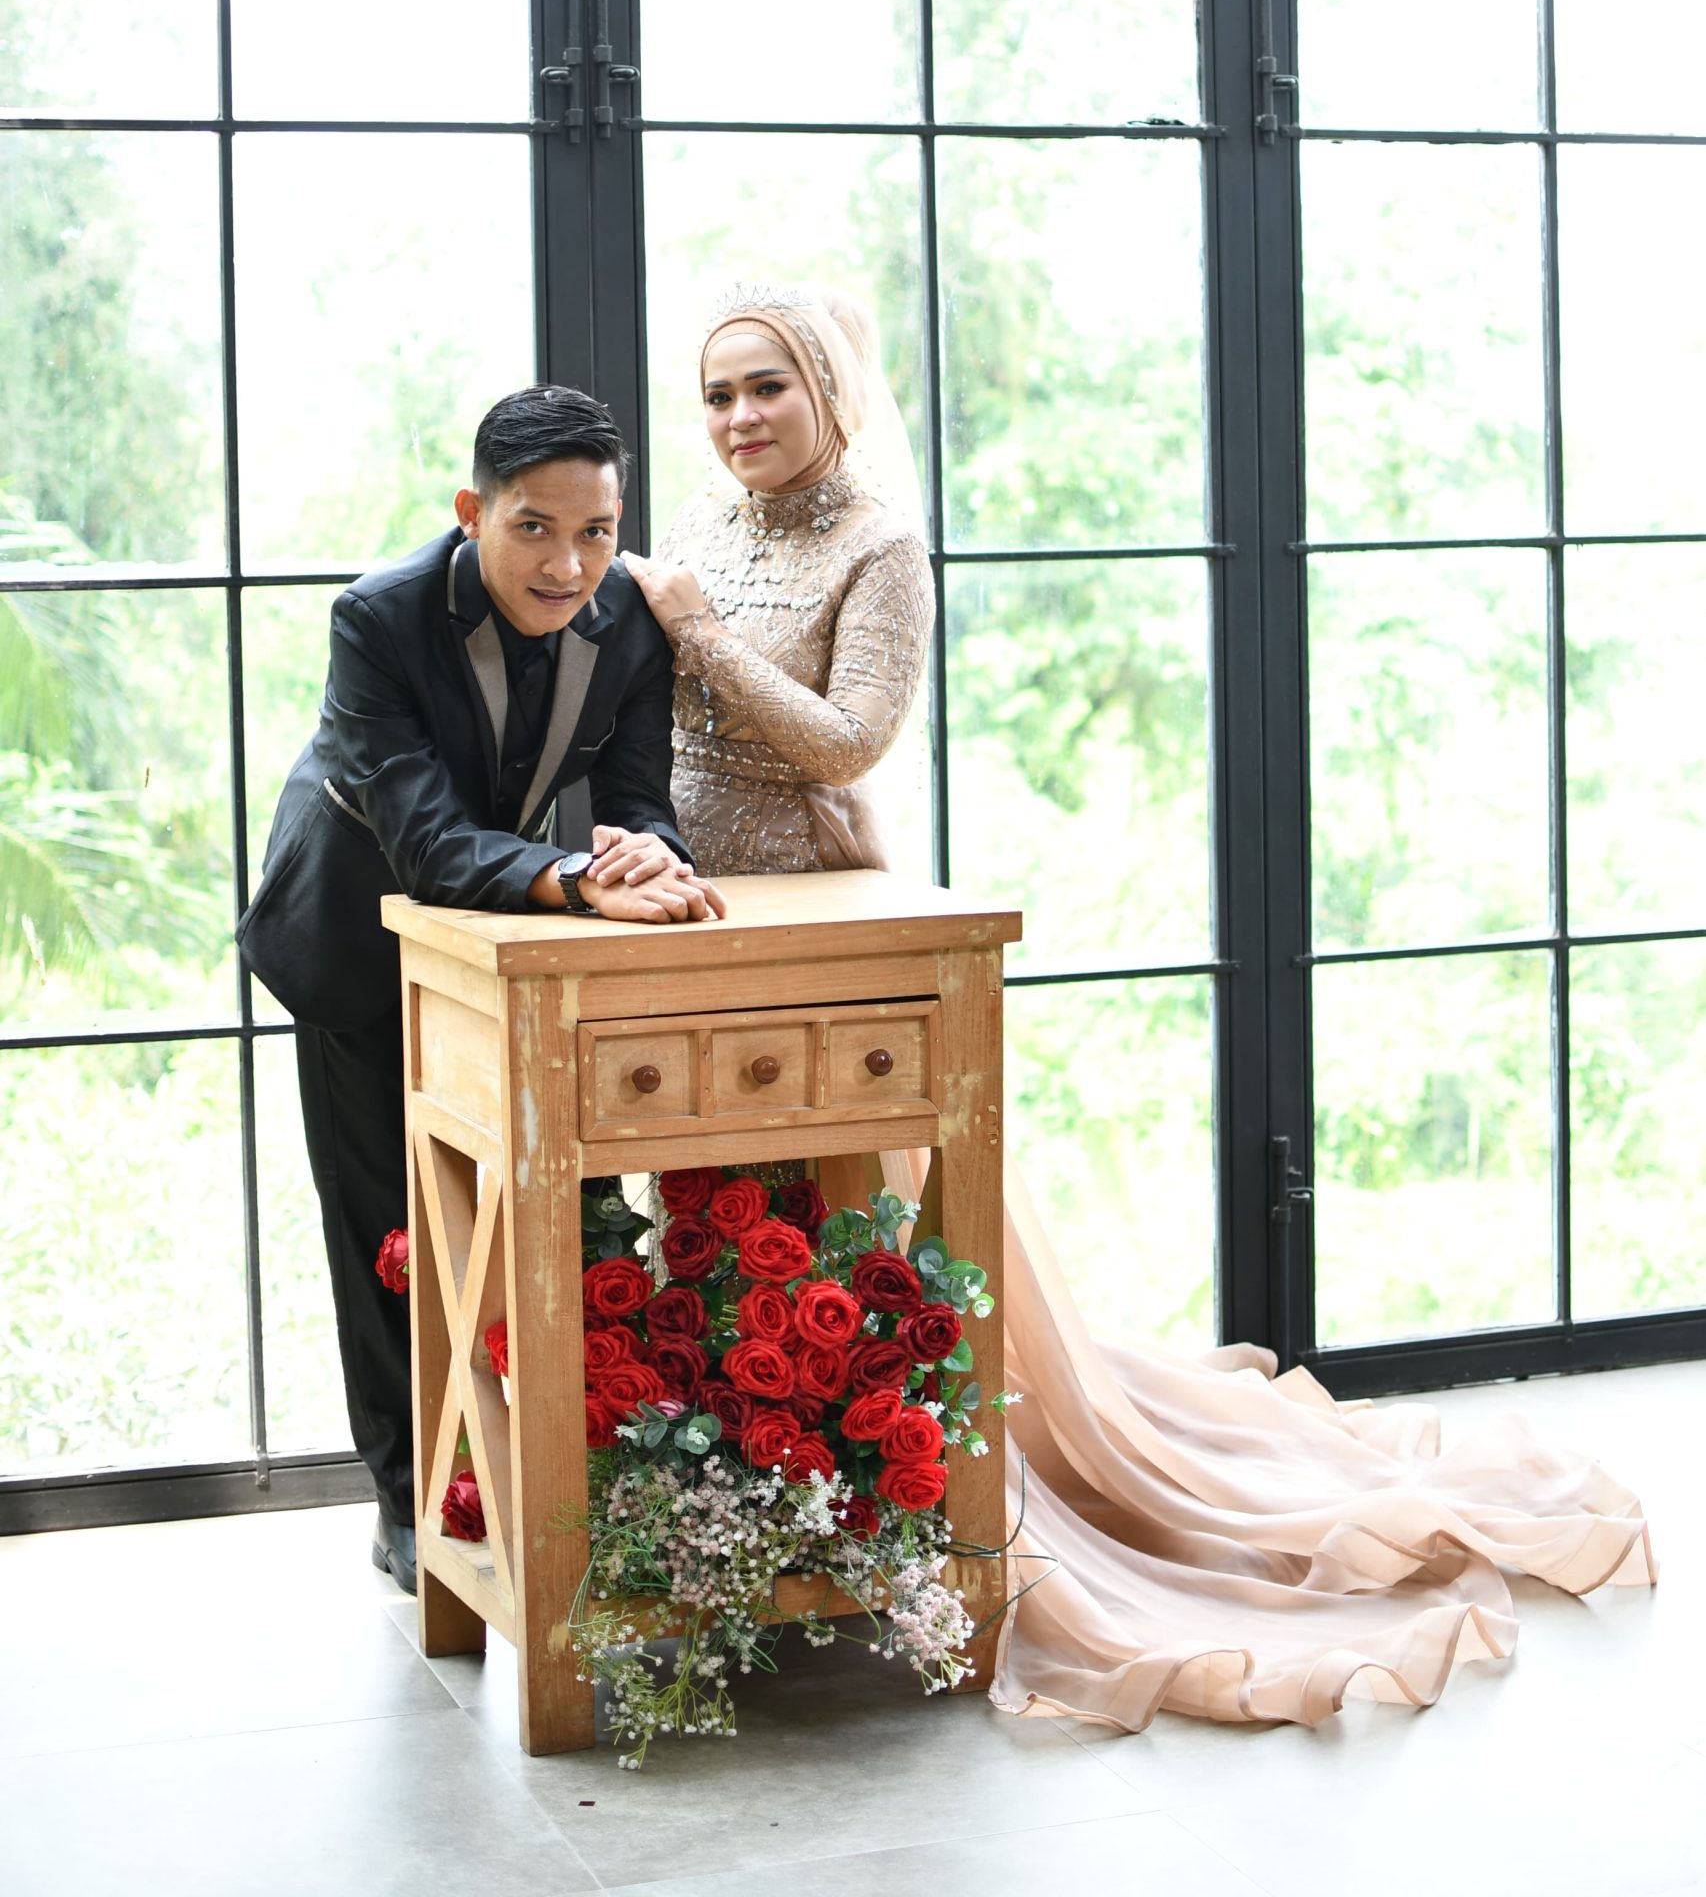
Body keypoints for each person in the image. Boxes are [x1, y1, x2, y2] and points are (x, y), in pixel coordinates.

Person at [626, 281, 1655, 1734]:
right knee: (719, 1220)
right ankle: (762, 1501)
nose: (737, 418)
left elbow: (851, 741)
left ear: (829, 390)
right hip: (690, 916)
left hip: (821, 914)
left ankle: (889, 1510)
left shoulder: (882, 547)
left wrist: (696, 634)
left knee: (853, 1221)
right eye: (718, 394)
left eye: (765, 387)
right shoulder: (702, 525)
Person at [239, 385, 723, 1596]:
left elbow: (638, 791)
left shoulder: (630, 619)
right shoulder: (378, 618)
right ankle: (406, 1499)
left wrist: (646, 852)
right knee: (388, 1226)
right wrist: (578, 878)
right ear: (472, 511)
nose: (569, 565)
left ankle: (564, 1479)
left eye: (597, 530)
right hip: (354, 923)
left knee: (557, 1204)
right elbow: (427, 842)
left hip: (510, 927)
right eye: (533, 528)